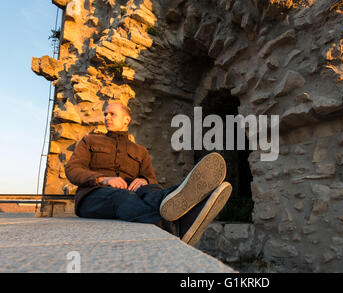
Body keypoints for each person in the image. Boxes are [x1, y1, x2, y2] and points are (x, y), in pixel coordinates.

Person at [64, 102, 231, 246]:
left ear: (126, 119)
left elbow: (151, 178)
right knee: (123, 197)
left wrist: (144, 180)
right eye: (105, 114)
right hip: (94, 196)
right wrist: (103, 179)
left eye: (112, 114)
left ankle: (189, 198)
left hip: (132, 193)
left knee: (154, 192)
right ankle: (179, 223)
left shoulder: (140, 151)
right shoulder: (90, 141)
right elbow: (73, 169)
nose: (107, 117)